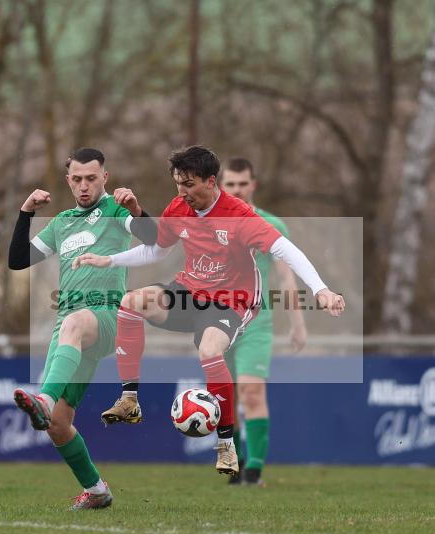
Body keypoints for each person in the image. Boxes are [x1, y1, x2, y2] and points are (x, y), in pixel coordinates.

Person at [73, 145, 344, 477]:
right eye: (178, 184)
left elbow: (287, 251)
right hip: (190, 291)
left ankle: (227, 445)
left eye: (188, 184)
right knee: (131, 304)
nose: (182, 192)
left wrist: (321, 290)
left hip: (233, 300)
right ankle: (130, 399)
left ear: (210, 181)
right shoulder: (179, 207)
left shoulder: (240, 216)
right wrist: (110, 259)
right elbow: (157, 251)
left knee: (209, 350)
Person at [7, 147, 157, 510]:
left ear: (105, 177)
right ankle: (96, 489)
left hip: (106, 315)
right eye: (77, 179)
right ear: (68, 181)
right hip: (70, 325)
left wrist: (137, 210)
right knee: (58, 424)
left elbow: (155, 239)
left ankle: (42, 397)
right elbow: (17, 260)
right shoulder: (62, 222)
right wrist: (26, 213)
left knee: (72, 325)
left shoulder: (115, 210)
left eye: (92, 178)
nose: (84, 186)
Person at [219, 157, 307, 486]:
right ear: (220, 186)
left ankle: (254, 471)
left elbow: (287, 278)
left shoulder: (272, 225)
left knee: (252, 392)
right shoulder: (210, 222)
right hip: (218, 323)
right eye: (231, 184)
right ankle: (237, 463)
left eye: (243, 184)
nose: (237, 190)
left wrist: (297, 322)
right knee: (225, 396)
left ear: (253, 185)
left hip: (256, 322)